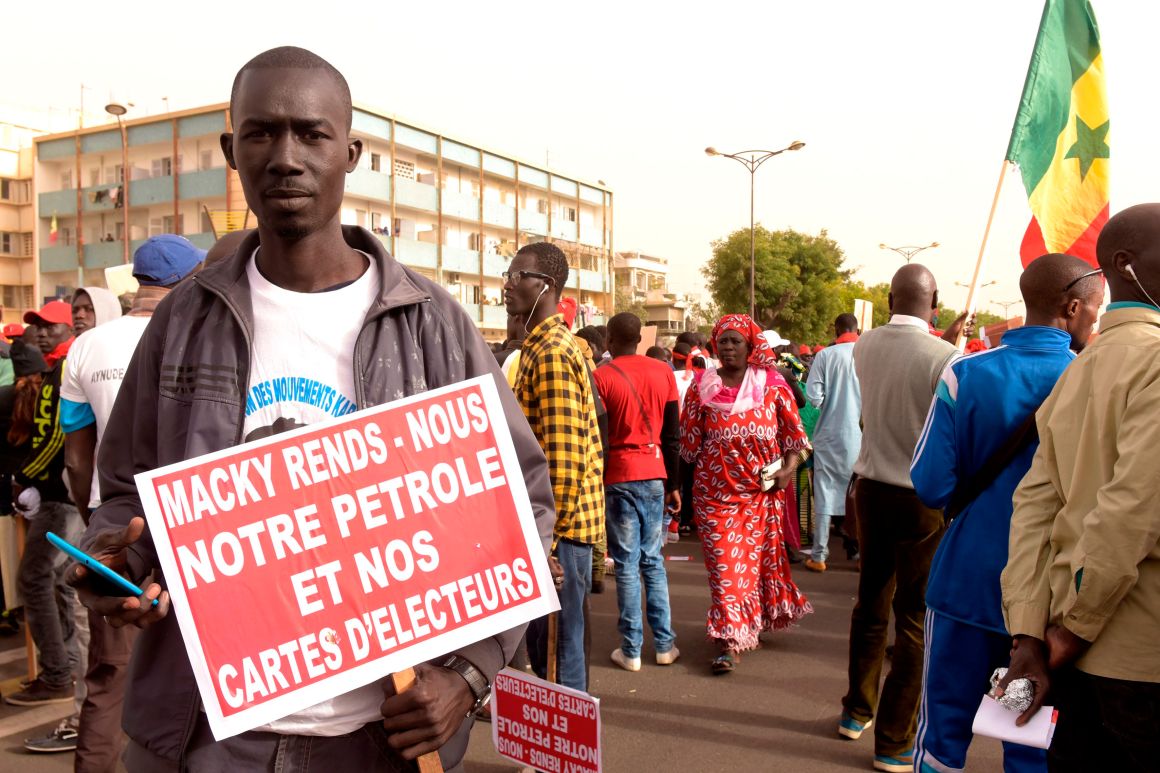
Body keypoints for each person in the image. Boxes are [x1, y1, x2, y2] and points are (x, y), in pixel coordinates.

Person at [73, 47, 554, 772]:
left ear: (351, 152)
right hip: (206, 736)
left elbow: (523, 507)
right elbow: (125, 496)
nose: (286, 157)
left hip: (381, 741)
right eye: (262, 133)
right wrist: (116, 564)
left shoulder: (432, 323)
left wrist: (468, 675)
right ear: (233, 149)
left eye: (311, 134)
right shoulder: (182, 321)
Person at [910, 253, 1102, 773]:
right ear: (1072, 306)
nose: (1096, 321)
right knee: (1028, 740)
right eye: (1096, 311)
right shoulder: (1094, 382)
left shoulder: (966, 373)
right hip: (1049, 602)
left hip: (967, 584)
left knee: (942, 733)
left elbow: (929, 484)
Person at [28, 236, 204, 765]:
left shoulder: (87, 346)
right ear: (190, 278)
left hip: (118, 525)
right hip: (195, 522)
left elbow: (76, 458)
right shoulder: (196, 333)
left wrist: (95, 523)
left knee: (108, 676)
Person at [1001, 204, 1160, 770]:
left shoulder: (1080, 369)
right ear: (1126, 265)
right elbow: (1128, 515)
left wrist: (1027, 636)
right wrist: (1071, 631)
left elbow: (1034, 511)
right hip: (1136, 657)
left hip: (1067, 654)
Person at [839, 264, 958, 773]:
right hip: (920, 497)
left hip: (871, 488)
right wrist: (947, 345)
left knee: (870, 605)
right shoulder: (947, 358)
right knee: (912, 619)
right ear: (935, 304)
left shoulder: (863, 345)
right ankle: (893, 740)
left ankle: (856, 711)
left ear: (889, 299)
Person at [680, 314, 812, 674]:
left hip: (760, 498)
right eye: (723, 341)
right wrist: (675, 491)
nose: (728, 347)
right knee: (726, 570)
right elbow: (689, 447)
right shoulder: (700, 388)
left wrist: (788, 470)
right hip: (714, 497)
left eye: (736, 341)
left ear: (750, 345)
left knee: (751, 569)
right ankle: (728, 643)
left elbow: (798, 441)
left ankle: (749, 621)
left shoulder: (773, 385)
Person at [504, 240, 603, 693]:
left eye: (517, 276)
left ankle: (567, 761)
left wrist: (547, 542)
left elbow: (563, 460)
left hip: (560, 535)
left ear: (546, 286)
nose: (508, 285)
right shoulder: (539, 348)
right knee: (553, 649)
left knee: (559, 654)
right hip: (554, 532)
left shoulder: (552, 353)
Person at [593, 313, 680, 672]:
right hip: (655, 473)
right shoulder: (664, 372)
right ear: (640, 338)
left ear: (610, 339)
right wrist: (674, 484)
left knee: (627, 566)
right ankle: (664, 645)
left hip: (618, 476)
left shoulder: (601, 377)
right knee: (653, 562)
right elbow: (673, 434)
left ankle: (630, 651)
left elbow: (598, 433)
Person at [5, 300, 81, 707]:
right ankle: (65, 668)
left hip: (60, 497)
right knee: (56, 583)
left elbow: (58, 435)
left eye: (52, 326)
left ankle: (57, 673)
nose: (44, 332)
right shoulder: (53, 368)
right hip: (60, 495)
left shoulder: (67, 366)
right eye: (39, 326)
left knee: (36, 580)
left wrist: (25, 478)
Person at [803, 313, 862, 572]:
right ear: (857, 328)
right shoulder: (869, 354)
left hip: (828, 433)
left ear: (836, 330)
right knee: (859, 494)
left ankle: (819, 555)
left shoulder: (826, 356)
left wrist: (832, 401)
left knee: (825, 492)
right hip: (862, 435)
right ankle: (860, 553)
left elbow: (812, 396)